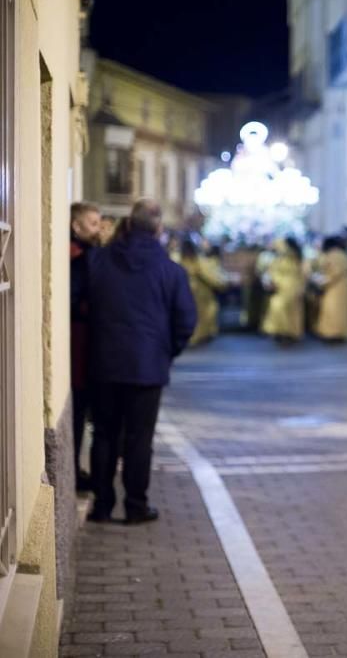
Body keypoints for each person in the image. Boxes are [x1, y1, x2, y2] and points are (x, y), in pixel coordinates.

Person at [86, 199, 196, 523]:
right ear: (159, 229)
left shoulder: (100, 261)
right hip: (147, 368)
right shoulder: (171, 271)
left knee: (104, 434)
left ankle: (102, 504)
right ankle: (136, 505)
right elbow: (186, 320)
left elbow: (84, 304)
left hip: (104, 362)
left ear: (129, 225)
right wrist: (166, 351)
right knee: (139, 438)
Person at [69, 202, 103, 492]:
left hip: (86, 344)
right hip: (79, 346)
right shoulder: (77, 257)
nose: (98, 228)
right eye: (92, 223)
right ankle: (75, 472)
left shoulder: (89, 255)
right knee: (79, 410)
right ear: (76, 226)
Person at [261, 237, 306, 344]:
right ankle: (283, 332)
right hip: (287, 287)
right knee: (283, 309)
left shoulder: (288, 256)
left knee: (283, 309)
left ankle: (287, 333)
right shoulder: (289, 257)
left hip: (288, 288)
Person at [313, 235, 347, 342]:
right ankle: (342, 333)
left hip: (334, 289)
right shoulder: (345, 255)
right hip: (346, 288)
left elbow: (332, 274)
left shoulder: (332, 256)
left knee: (332, 311)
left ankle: (332, 333)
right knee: (344, 311)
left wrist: (321, 282)